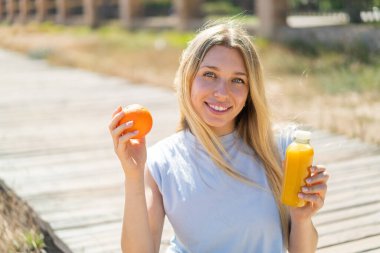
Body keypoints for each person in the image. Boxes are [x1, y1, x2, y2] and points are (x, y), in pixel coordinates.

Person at [109, 21, 329, 253]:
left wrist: (302, 219)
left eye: (237, 80)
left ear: (249, 92)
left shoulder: (283, 148)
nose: (221, 93)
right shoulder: (160, 161)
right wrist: (133, 175)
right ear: (188, 79)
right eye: (210, 74)